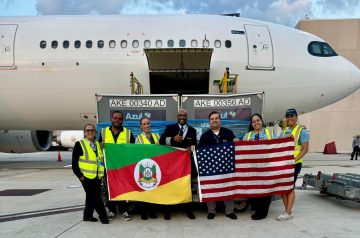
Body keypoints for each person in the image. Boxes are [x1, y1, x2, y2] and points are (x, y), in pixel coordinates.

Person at [199, 111, 239, 220]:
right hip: (210, 168)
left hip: (226, 167)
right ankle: (211, 211)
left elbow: (235, 148)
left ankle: (229, 211)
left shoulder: (228, 133)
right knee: (211, 187)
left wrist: (236, 141)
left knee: (228, 187)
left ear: (220, 120)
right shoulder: (204, 136)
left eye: (216, 118)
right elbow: (200, 153)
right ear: (209, 121)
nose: (214, 120)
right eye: (212, 119)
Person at [159, 109, 197, 220]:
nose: (182, 117)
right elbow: (161, 141)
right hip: (172, 164)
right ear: (177, 116)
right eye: (180, 115)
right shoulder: (170, 128)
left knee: (187, 186)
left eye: (184, 115)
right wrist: (172, 139)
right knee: (170, 186)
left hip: (186, 164)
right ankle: (167, 211)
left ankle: (189, 211)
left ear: (187, 117)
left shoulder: (192, 130)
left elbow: (194, 144)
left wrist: (191, 148)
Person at [100, 110, 135, 221]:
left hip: (122, 167)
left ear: (122, 120)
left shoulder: (128, 133)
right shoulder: (103, 132)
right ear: (111, 118)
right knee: (109, 188)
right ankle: (112, 210)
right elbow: (99, 147)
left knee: (123, 188)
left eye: (119, 118)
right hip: (108, 166)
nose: (117, 120)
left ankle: (124, 210)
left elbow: (133, 150)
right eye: (115, 118)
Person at [72, 123, 109, 224]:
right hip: (86, 177)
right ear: (84, 133)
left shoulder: (98, 145)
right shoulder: (79, 144)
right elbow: (74, 163)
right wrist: (80, 176)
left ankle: (87, 216)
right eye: (88, 130)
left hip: (97, 177)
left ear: (95, 132)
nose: (90, 132)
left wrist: (102, 175)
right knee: (96, 197)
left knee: (90, 197)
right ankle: (103, 217)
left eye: (92, 130)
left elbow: (100, 161)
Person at [276, 108, 309, 221]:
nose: (290, 118)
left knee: (290, 187)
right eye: (288, 116)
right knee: (283, 188)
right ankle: (287, 211)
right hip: (284, 164)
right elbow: (278, 142)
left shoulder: (301, 131)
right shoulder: (285, 131)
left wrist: (294, 161)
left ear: (296, 117)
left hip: (294, 164)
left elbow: (305, 149)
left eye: (292, 116)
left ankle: (288, 211)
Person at [243, 113, 275, 220]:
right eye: (254, 121)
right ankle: (256, 208)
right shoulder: (247, 136)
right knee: (253, 188)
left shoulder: (269, 133)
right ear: (251, 124)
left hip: (266, 166)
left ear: (262, 121)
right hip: (252, 167)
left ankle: (263, 212)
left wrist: (268, 143)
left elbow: (276, 147)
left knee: (265, 189)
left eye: (258, 120)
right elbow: (242, 150)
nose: (256, 122)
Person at [135, 116, 159, 220]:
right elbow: (136, 153)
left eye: (148, 123)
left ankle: (152, 211)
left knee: (153, 188)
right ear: (141, 126)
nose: (146, 126)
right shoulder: (138, 138)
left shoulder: (157, 136)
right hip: (143, 167)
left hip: (154, 166)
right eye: (144, 124)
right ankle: (143, 212)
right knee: (143, 188)